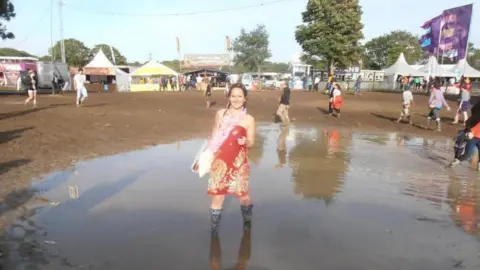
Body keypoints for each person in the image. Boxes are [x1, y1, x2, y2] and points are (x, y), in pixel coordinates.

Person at [207, 83, 255, 236]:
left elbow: (252, 142)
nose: (236, 99)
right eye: (233, 96)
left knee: (243, 196)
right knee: (218, 195)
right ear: (228, 97)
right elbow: (214, 135)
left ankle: (247, 224)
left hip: (238, 163)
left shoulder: (249, 119)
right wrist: (208, 155)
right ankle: (214, 231)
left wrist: (246, 142)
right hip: (220, 160)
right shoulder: (220, 114)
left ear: (245, 98)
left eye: (239, 96)